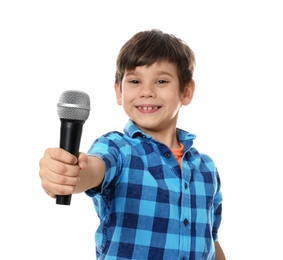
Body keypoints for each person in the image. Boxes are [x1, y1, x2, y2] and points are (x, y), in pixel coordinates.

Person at [39, 29, 226, 260]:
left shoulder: (206, 168)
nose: (147, 92)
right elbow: (91, 170)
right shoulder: (117, 148)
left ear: (186, 91)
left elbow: (211, 241)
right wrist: (64, 175)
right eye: (135, 81)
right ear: (119, 91)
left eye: (161, 81)